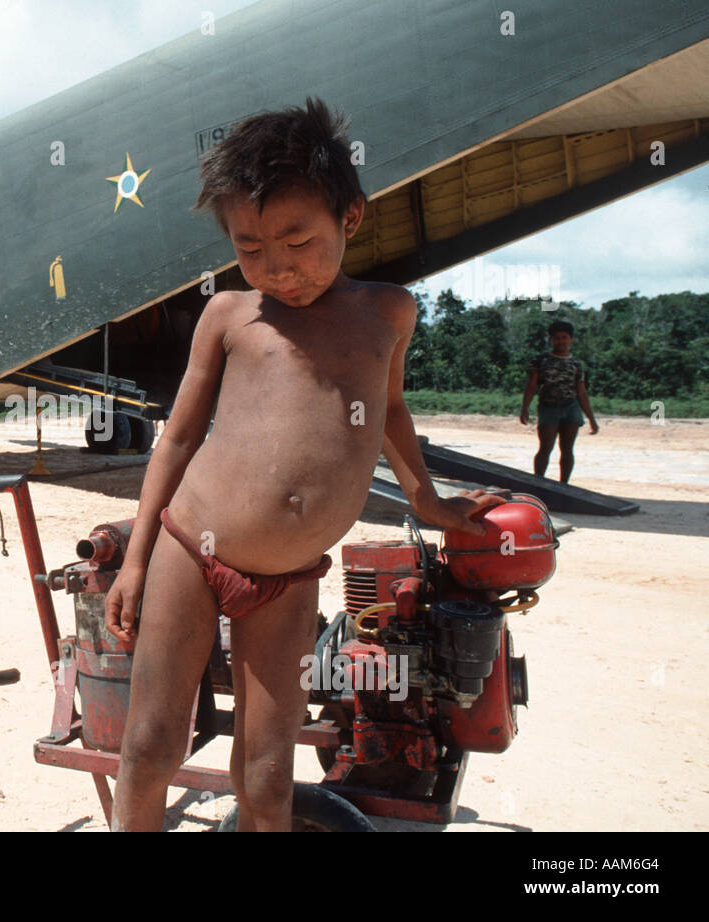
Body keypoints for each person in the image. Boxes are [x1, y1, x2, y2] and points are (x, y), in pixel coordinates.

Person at [102, 98, 501, 832]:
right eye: (250, 247)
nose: (278, 269)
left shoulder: (387, 313)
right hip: (193, 547)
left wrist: (428, 501)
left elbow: (386, 413)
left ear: (349, 217)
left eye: (298, 241)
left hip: (288, 578)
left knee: (266, 773)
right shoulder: (229, 315)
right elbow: (180, 439)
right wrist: (135, 560)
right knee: (152, 744)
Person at [519, 319, 598, 483]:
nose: (561, 341)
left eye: (564, 337)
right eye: (557, 337)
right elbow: (532, 385)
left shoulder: (576, 364)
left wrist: (591, 419)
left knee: (567, 449)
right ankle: (538, 483)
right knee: (546, 447)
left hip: (571, 408)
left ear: (571, 339)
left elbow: (582, 393)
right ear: (551, 339)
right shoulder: (540, 360)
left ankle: (564, 486)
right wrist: (525, 408)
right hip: (549, 408)